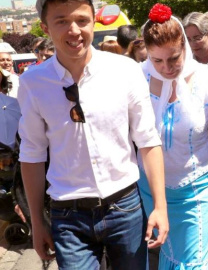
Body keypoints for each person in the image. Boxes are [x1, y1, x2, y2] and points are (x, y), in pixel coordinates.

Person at [18, 1, 169, 269]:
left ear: (93, 22)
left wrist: (160, 205)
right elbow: (32, 153)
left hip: (125, 207)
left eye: (82, 20)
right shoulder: (32, 82)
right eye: (62, 21)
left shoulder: (124, 70)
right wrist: (37, 223)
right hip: (67, 216)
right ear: (46, 28)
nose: (74, 30)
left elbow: (148, 140)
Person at [138, 4, 208, 270]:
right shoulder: (135, 80)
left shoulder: (206, 79)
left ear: (185, 47)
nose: (167, 68)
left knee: (194, 261)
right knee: (173, 257)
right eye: (157, 60)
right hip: (151, 190)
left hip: (198, 187)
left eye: (174, 58)